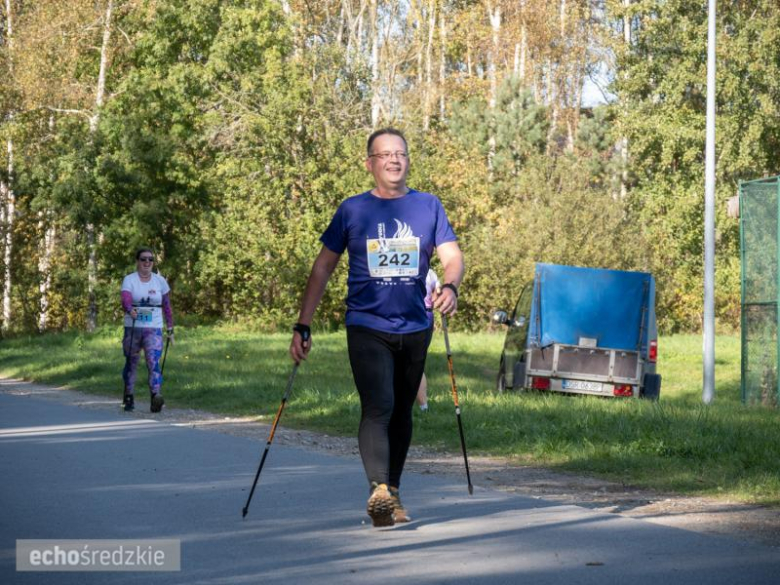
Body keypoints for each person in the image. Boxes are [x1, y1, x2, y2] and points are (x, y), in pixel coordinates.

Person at [289, 128, 464, 527]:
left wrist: (451, 286)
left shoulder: (428, 206)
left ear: (408, 160)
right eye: (384, 154)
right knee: (379, 404)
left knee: (403, 410)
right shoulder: (353, 210)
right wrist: (303, 324)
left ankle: (393, 492)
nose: (394, 160)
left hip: (416, 325)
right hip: (366, 324)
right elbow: (322, 268)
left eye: (400, 153)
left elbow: (453, 257)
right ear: (370, 163)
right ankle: (378, 488)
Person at [121, 247, 174, 413]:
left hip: (154, 328)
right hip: (133, 327)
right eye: (143, 259)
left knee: (153, 362)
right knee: (132, 363)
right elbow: (125, 299)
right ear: (137, 261)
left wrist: (170, 328)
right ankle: (129, 395)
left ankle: (155, 396)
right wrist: (130, 309)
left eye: (150, 259)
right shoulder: (129, 280)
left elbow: (166, 305)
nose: (147, 262)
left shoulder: (160, 281)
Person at [416, 268, 440, 412]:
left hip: (421, 314)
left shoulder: (429, 272)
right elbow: (437, 293)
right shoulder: (430, 272)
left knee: (415, 362)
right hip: (426, 314)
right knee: (417, 362)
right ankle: (423, 407)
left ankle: (423, 407)